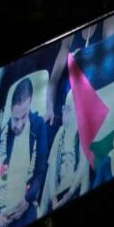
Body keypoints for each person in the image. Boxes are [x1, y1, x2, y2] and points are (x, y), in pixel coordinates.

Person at [0, 77, 50, 227]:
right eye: (15, 119)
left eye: (23, 117)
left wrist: (28, 199)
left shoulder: (38, 126)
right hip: (0, 217)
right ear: (9, 111)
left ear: (31, 103)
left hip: (25, 208)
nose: (19, 125)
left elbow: (40, 172)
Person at [40, 87, 90, 215]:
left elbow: (83, 170)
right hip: (56, 194)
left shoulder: (82, 133)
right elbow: (51, 169)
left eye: (68, 109)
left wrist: (71, 192)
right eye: (64, 109)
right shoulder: (60, 133)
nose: (64, 113)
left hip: (73, 191)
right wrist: (53, 199)